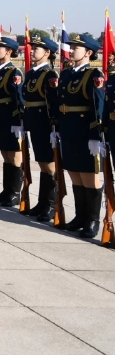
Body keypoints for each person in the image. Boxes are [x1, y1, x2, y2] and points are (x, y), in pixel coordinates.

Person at [57, 33, 106, 239]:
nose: (71, 50)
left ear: (88, 53)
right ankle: (80, 216)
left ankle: (92, 220)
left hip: (86, 131)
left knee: (89, 176)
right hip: (69, 129)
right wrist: (57, 127)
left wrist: (96, 135)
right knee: (74, 174)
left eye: (76, 48)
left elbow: (98, 106)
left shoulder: (94, 74)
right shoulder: (66, 74)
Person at [20, 34, 60, 222]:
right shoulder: (31, 74)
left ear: (47, 53)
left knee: (50, 165)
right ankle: (42, 203)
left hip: (45, 122)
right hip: (34, 121)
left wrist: (54, 126)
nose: (33, 51)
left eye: (37, 48)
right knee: (43, 163)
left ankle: (51, 205)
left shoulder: (49, 75)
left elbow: (53, 102)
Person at [0, 37, 25, 206]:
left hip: (11, 117)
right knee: (4, 154)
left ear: (9, 51)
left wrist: (18, 120)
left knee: (15, 155)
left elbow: (18, 98)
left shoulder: (13, 72)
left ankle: (15, 192)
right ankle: (7, 190)